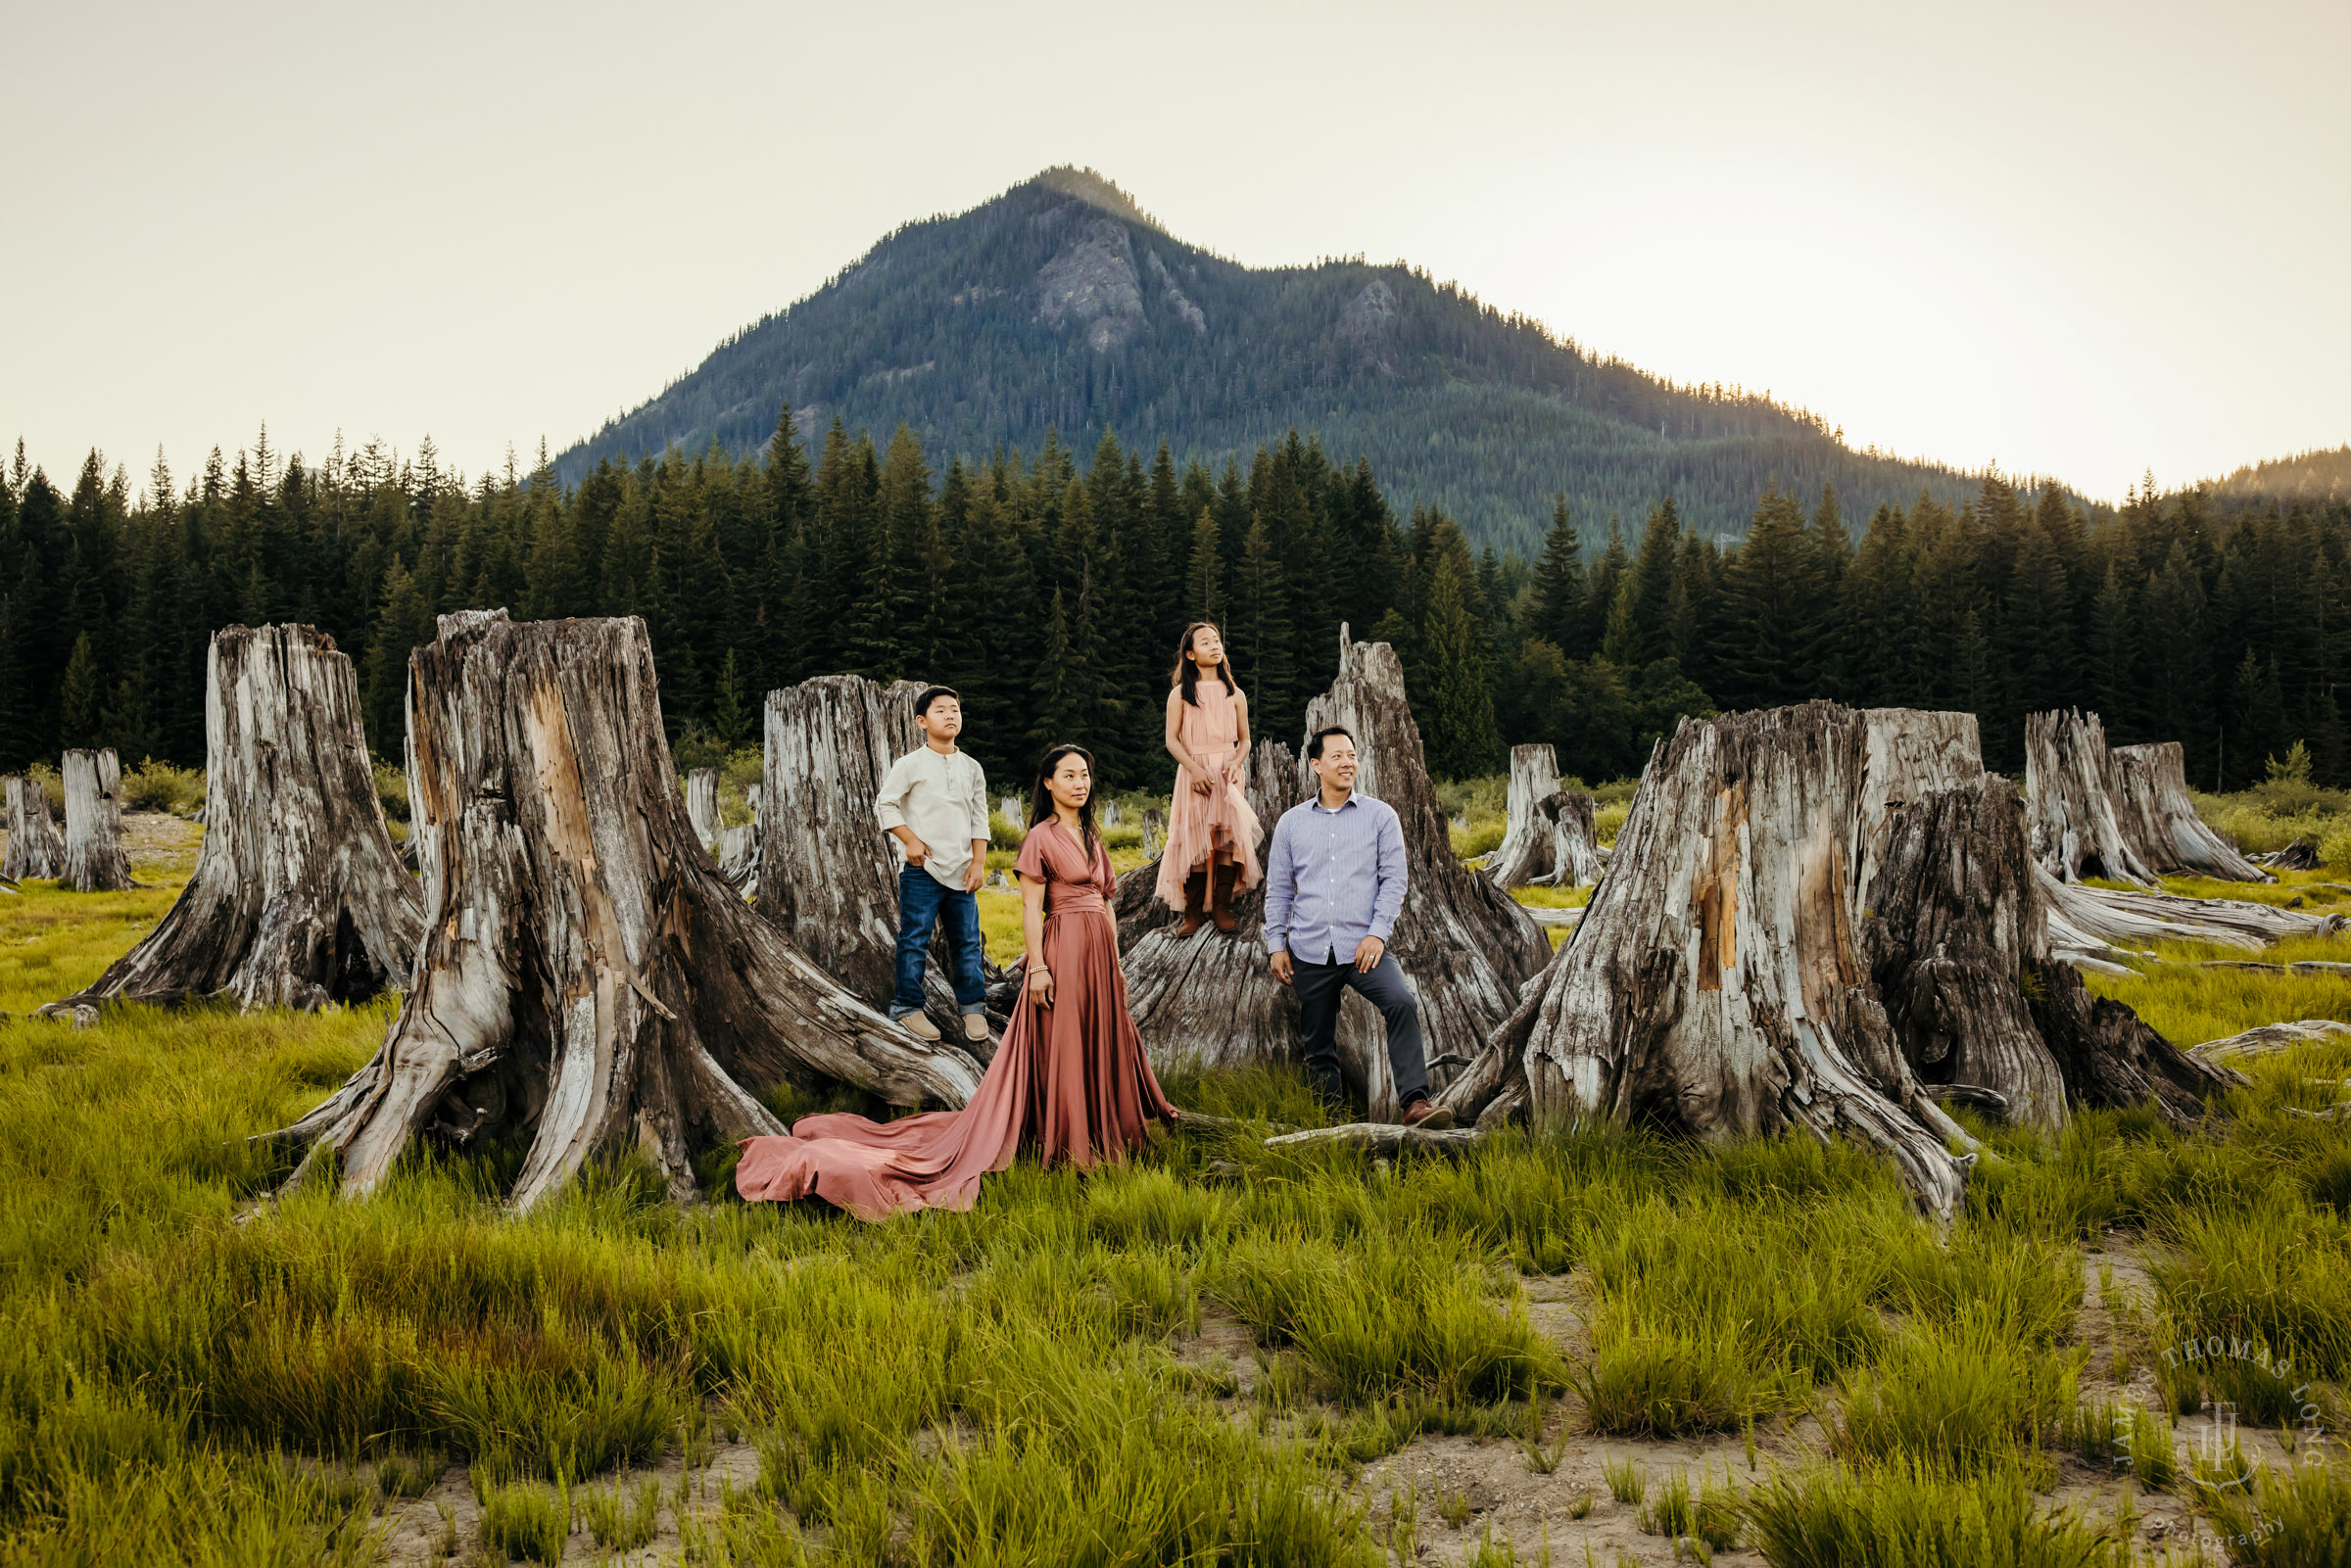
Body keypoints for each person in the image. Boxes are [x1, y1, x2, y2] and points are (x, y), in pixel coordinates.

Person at [734, 743, 1181, 1219]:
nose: (1080, 783)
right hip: (1063, 947)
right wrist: (1040, 967)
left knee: (1100, 1037)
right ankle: (1065, 1142)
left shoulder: (1092, 836)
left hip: (1098, 953)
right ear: (1048, 783)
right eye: (1069, 775)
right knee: (1065, 1041)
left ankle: (1104, 1130)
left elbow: (1107, 903)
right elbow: (1031, 909)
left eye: (1085, 775)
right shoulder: (1040, 838)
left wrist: (1115, 964)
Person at [1264, 726, 1454, 1128]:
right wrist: (1276, 945)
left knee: (1400, 1001)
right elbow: (1278, 890)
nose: (1348, 762)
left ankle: (1415, 1103)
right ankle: (1333, 1123)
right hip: (1309, 948)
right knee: (1318, 1044)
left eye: (1352, 754)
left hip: (1362, 948)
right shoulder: (1291, 824)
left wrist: (1377, 933)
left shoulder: (1380, 816)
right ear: (1316, 765)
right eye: (1337, 756)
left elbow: (1394, 881)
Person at [874, 687, 990, 1043]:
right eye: (941, 711)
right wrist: (910, 840)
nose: (950, 715)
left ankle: (972, 1007)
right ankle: (907, 1006)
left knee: (968, 942)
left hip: (962, 871)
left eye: (955, 709)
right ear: (922, 721)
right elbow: (886, 805)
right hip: (922, 871)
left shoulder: (971, 767)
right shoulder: (910, 764)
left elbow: (979, 819)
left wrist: (978, 864)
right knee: (914, 939)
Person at [1153, 622, 1263, 935]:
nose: (1215, 645)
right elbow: (1172, 740)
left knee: (1227, 839)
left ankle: (1222, 907)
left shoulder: (1235, 693)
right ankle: (1192, 912)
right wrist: (1194, 769)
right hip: (1195, 772)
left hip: (1228, 771)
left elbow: (1245, 740)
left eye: (1217, 640)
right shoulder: (1180, 695)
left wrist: (1237, 763)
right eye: (1205, 642)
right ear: (1190, 654)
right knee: (1196, 839)